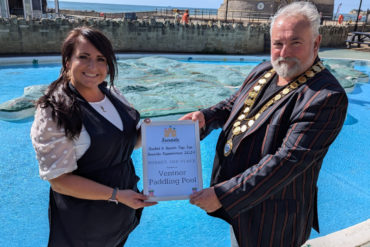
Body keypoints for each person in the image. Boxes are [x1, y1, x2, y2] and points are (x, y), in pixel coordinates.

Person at [181, 2, 348, 246]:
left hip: (274, 219)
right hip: (242, 206)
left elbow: (288, 161)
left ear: (316, 43)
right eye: (278, 44)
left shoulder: (326, 96)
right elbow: (234, 104)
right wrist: (206, 117)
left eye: (295, 43)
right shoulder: (264, 70)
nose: (284, 52)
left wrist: (225, 195)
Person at [30, 27, 156, 246]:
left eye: (101, 59)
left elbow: (124, 144)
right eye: (84, 57)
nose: (93, 67)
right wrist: (117, 194)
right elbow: (59, 181)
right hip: (82, 225)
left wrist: (159, 134)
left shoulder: (113, 95)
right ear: (68, 61)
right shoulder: (54, 111)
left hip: (119, 217)